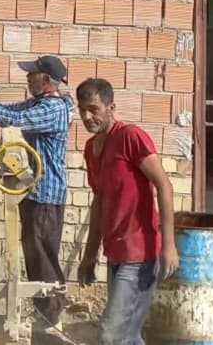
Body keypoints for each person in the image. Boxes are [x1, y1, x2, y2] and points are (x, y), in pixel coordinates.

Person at [0, 55, 74, 334]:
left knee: (42, 253)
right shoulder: (40, 103)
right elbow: (11, 110)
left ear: (47, 81)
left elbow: (16, 119)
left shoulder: (52, 109)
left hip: (45, 195)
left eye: (32, 75)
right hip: (33, 189)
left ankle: (52, 319)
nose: (27, 78)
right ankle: (47, 312)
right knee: (35, 251)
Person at [76, 77, 179, 345]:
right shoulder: (91, 148)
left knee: (112, 333)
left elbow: (164, 185)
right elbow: (99, 201)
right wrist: (90, 255)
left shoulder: (130, 137)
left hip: (140, 255)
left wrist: (169, 245)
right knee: (128, 336)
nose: (87, 116)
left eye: (94, 109)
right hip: (116, 254)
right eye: (82, 109)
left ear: (111, 107)